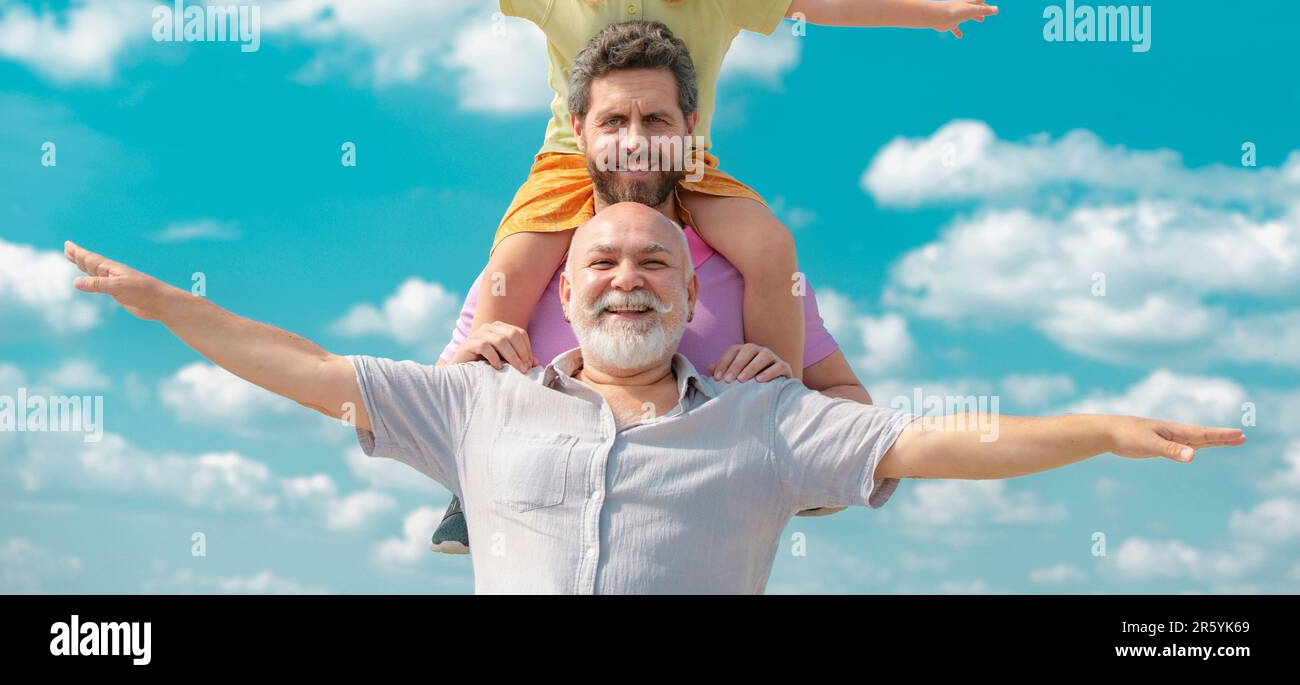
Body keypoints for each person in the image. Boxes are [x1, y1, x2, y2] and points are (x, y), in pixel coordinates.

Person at [64, 205, 1245, 594]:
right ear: (563, 296)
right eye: (601, 264)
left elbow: (940, 437)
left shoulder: (771, 418)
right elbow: (308, 367)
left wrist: (1096, 429)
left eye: (654, 264)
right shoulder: (479, 404)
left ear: (690, 298)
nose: (625, 275)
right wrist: (170, 302)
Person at [290, 0, 1000, 378]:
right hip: (575, 160)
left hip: (683, 160)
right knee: (509, 267)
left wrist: (933, 13)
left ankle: (781, 413)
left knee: (772, 245)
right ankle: (472, 438)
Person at [429, 18, 869, 553]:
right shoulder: (519, 270)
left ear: (690, 126)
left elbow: (854, 414)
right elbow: (428, 425)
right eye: (613, 120)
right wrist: (456, 381)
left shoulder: (755, 273)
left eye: (656, 119)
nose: (635, 142)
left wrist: (793, 420)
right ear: (579, 130)